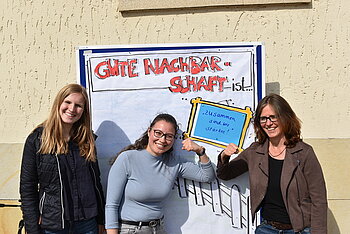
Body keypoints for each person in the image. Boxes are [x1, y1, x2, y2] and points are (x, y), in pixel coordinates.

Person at [216, 94, 327, 234]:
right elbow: (225, 174)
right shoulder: (255, 151)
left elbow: (319, 199)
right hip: (267, 229)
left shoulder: (304, 152)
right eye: (263, 118)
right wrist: (224, 156)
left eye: (273, 117)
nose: (268, 123)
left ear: (285, 117)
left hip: (299, 230)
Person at [105, 113, 216, 234]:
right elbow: (111, 205)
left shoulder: (173, 163)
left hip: (158, 229)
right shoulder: (127, 158)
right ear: (149, 132)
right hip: (131, 229)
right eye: (158, 133)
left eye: (169, 136)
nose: (162, 140)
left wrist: (200, 151)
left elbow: (207, 176)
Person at [20, 84, 105, 234]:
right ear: (59, 103)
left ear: (84, 111)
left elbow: (95, 183)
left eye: (78, 105)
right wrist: (32, 226)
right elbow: (28, 187)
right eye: (68, 102)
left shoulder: (87, 140)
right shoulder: (38, 139)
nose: (72, 109)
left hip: (87, 224)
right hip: (54, 225)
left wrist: (101, 220)